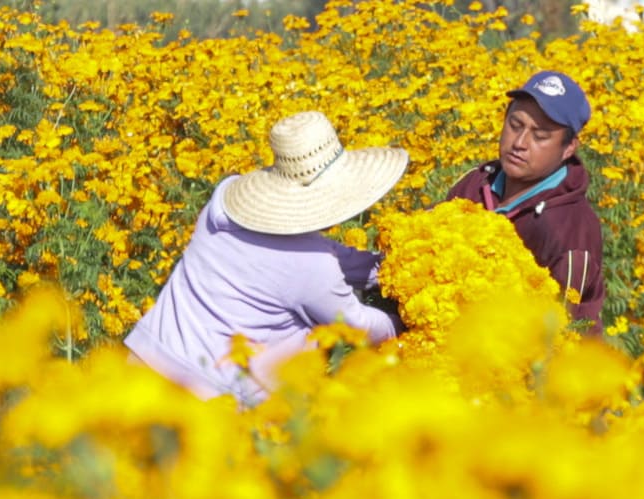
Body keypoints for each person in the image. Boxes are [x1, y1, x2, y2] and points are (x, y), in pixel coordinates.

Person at [124, 110, 409, 407]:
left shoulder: (223, 202)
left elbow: (307, 255)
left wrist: (388, 268)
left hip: (146, 361)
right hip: (208, 401)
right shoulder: (311, 264)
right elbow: (357, 325)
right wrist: (404, 319)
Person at [446, 70, 604, 333]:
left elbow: (559, 335)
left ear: (568, 148)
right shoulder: (474, 184)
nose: (519, 143)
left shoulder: (571, 231)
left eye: (540, 136)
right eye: (515, 125)